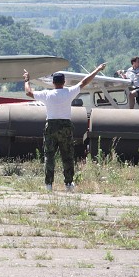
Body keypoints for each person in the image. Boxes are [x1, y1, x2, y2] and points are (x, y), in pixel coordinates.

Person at [24, 63, 106, 191]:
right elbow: (85, 81)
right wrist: (97, 69)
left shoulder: (47, 94)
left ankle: (49, 185)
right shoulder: (69, 92)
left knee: (49, 155)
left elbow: (28, 92)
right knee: (67, 156)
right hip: (65, 126)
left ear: (53, 82)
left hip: (51, 125)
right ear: (64, 82)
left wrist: (27, 80)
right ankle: (68, 184)